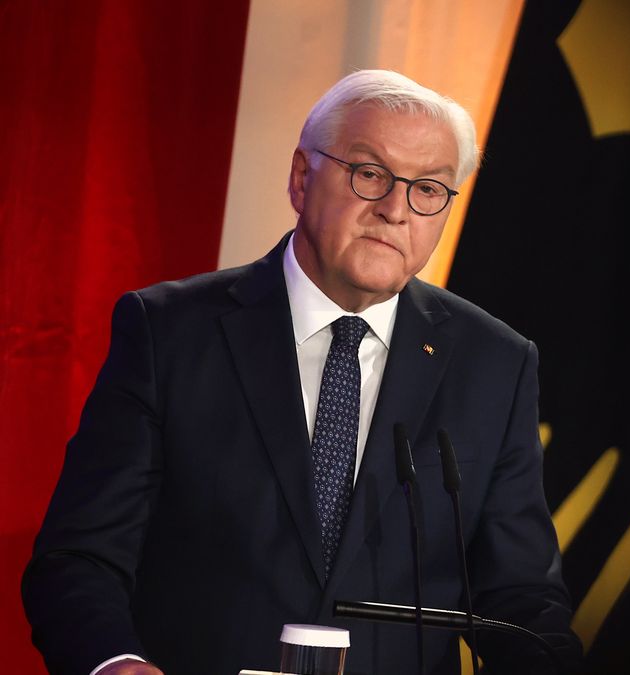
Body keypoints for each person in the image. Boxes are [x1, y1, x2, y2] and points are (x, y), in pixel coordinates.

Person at [23, 70, 580, 675]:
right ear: (300, 176)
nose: (396, 210)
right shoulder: (169, 333)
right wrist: (116, 662)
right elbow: (80, 558)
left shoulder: (495, 362)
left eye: (428, 189)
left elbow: (521, 598)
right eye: (369, 174)